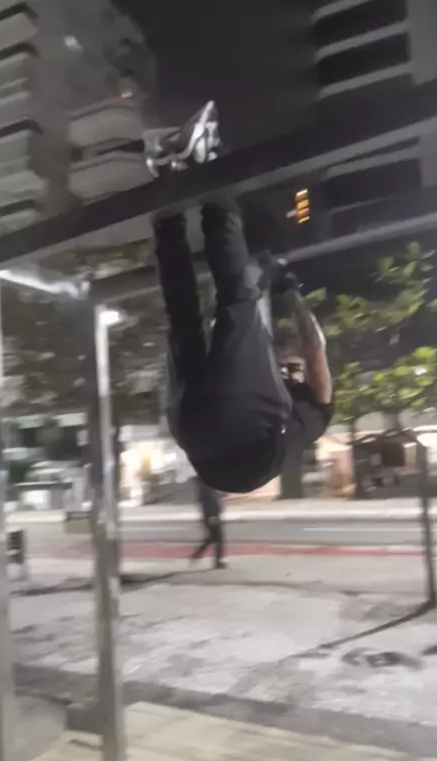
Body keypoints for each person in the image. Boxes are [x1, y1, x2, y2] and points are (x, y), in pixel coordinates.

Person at [148, 103, 333, 494]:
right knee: (184, 320)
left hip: (244, 435)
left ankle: (207, 159)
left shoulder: (310, 413)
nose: (285, 369)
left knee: (239, 301)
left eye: (289, 370)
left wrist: (289, 289)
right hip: (193, 434)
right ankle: (167, 198)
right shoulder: (302, 417)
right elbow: (302, 355)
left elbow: (315, 345)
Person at [190, 476, 226, 569]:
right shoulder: (206, 488)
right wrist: (212, 516)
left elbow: (212, 500)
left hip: (211, 516)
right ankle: (218, 562)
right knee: (218, 539)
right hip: (212, 516)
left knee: (212, 538)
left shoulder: (205, 488)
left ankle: (197, 554)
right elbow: (210, 503)